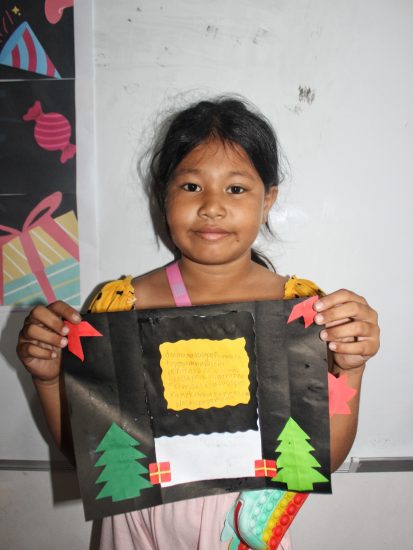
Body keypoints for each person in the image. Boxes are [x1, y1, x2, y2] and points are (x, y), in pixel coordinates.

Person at [16, 97, 380, 550]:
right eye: (191, 186)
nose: (211, 206)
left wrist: (351, 369)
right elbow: (91, 457)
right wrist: (48, 379)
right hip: (136, 527)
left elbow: (319, 459)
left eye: (236, 189)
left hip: (240, 532)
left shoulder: (302, 312)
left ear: (268, 199)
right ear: (163, 194)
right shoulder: (119, 307)